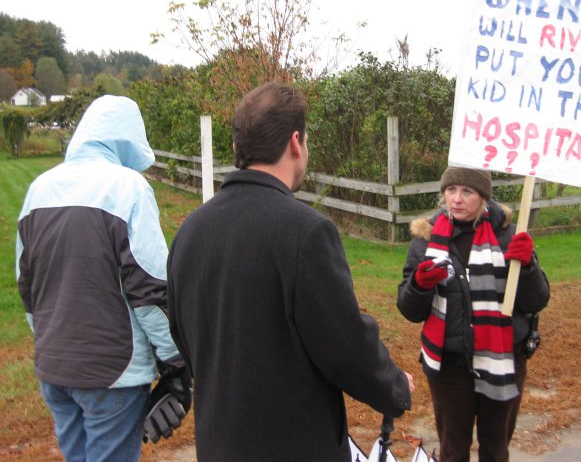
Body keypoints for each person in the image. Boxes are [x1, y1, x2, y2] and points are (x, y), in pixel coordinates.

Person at [167, 82, 414, 461]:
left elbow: (183, 336)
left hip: (218, 445)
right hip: (293, 445)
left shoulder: (190, 231)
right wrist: (395, 388)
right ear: (296, 143)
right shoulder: (305, 232)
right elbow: (344, 344)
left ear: (237, 148)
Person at [16, 95, 191, 461]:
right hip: (113, 372)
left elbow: (27, 288)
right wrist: (175, 364)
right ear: (127, 141)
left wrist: (54, 342)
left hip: (55, 367)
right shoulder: (127, 187)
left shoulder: (38, 191)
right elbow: (151, 289)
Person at [397, 166, 550, 462]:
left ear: (483, 197)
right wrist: (419, 284)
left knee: (495, 450)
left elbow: (537, 300)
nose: (456, 199)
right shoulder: (425, 242)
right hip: (449, 365)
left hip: (503, 358)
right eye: (450, 190)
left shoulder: (509, 235)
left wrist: (528, 265)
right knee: (453, 451)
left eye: (467, 191)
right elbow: (409, 310)